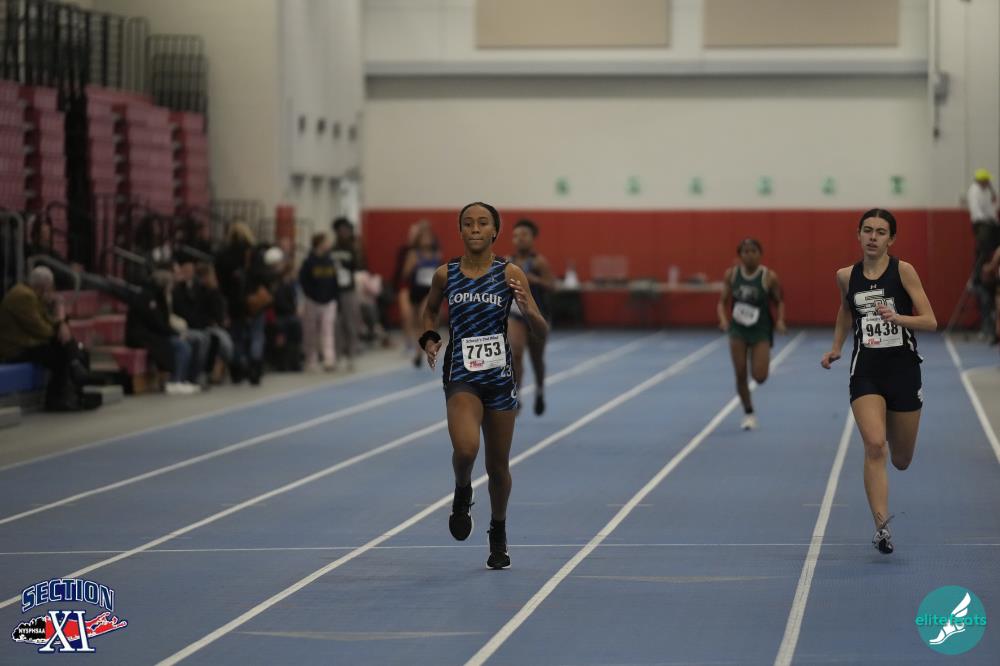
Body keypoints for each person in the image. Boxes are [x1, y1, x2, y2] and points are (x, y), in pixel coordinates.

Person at [419, 202, 548, 570]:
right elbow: (430, 310)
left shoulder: (510, 274)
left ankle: (498, 530)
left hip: (499, 381)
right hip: (461, 375)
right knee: (465, 450)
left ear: (495, 231)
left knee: (498, 467)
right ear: (460, 231)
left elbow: (541, 330)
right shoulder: (446, 275)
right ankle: (463, 490)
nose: (475, 229)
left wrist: (528, 309)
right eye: (468, 223)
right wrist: (429, 337)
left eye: (482, 223)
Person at [821, 209, 937, 555]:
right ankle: (882, 528)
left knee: (901, 459)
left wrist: (898, 318)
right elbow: (846, 311)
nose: (873, 237)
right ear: (858, 234)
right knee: (874, 445)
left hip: (903, 371)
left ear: (891, 239)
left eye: (881, 232)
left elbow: (930, 321)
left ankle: (895, 425)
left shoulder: (904, 271)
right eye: (867, 230)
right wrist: (836, 347)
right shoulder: (845, 276)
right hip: (866, 371)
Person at [0, 266, 99, 410]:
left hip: (26, 344)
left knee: (65, 347)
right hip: (14, 350)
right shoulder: (24, 296)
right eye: (51, 287)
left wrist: (60, 323)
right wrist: (60, 326)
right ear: (44, 286)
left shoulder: (32, 295)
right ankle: (60, 393)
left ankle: (72, 384)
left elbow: (48, 322)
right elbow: (41, 330)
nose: (52, 291)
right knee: (60, 353)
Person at [717, 238, 786, 430]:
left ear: (760, 254)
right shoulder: (732, 275)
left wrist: (780, 320)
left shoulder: (768, 277)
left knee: (760, 377)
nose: (749, 255)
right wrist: (723, 320)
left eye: (753, 251)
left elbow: (779, 301)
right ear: (740, 255)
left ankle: (756, 357)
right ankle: (748, 413)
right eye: (745, 252)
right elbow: (722, 302)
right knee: (740, 373)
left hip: (760, 329)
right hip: (738, 329)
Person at [507, 218, 555, 415]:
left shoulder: (539, 262)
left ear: (532, 238)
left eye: (524, 235)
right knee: (516, 352)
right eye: (516, 236)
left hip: (536, 314)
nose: (519, 239)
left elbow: (552, 286)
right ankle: (516, 395)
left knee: (536, 358)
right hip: (515, 314)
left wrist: (535, 280)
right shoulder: (508, 262)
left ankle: (540, 391)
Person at [401, 225, 441, 367]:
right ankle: (418, 352)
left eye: (428, 237)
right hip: (415, 291)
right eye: (423, 237)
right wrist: (413, 265)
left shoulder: (436, 255)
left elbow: (440, 274)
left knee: (422, 318)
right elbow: (405, 274)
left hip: (429, 291)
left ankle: (429, 347)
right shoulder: (413, 254)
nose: (426, 240)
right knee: (417, 324)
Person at [298, 232, 340, 371]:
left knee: (328, 330)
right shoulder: (309, 262)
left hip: (329, 301)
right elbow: (303, 280)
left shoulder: (330, 261)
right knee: (311, 331)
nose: (328, 244)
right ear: (319, 243)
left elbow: (335, 280)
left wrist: (334, 296)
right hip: (313, 301)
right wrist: (311, 295)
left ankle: (329, 359)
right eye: (326, 241)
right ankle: (311, 359)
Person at [968, 169, 1000, 341]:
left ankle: (989, 267)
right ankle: (978, 274)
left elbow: (991, 209)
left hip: (989, 223)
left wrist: (994, 220)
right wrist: (988, 222)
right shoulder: (974, 191)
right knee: (984, 248)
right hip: (981, 224)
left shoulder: (988, 190)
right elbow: (978, 211)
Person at [331, 217, 362, 371]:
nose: (344, 233)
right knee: (336, 323)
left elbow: (358, 266)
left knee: (350, 322)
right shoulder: (332, 249)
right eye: (341, 231)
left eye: (346, 231)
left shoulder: (352, 249)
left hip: (348, 289)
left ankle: (351, 354)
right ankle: (337, 354)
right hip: (334, 290)